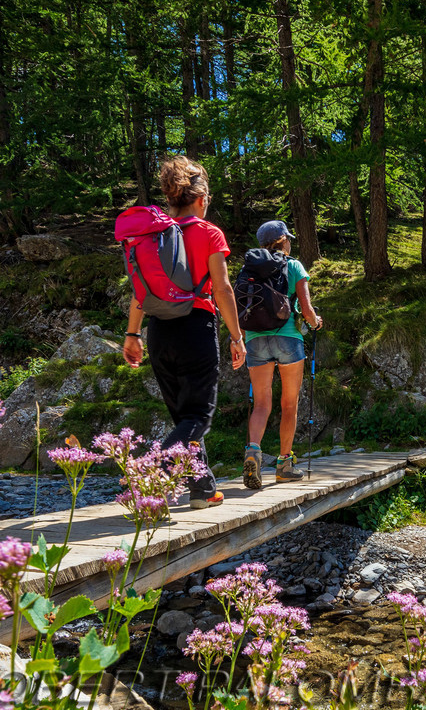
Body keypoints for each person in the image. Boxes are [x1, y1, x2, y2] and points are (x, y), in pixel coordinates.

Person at [122, 156, 247, 508]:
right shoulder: (208, 232)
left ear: (170, 198)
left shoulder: (153, 235)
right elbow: (222, 288)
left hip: (159, 331)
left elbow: (140, 290)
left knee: (184, 416)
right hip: (195, 328)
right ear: (201, 199)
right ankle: (151, 470)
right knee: (197, 416)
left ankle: (202, 489)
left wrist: (132, 335)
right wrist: (237, 337)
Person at [243, 220, 322, 489]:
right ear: (283, 241)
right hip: (288, 338)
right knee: (289, 404)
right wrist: (315, 322)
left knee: (261, 404)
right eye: (288, 239)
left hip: (255, 339)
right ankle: (284, 464)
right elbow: (307, 310)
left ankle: (253, 452)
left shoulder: (249, 267)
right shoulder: (294, 265)